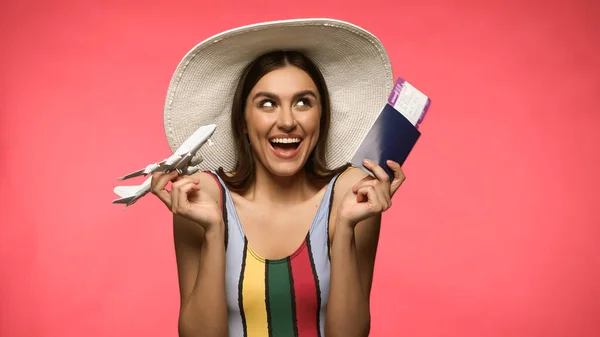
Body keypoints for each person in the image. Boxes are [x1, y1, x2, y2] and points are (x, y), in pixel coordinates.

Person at [150, 18, 405, 337]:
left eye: (303, 102)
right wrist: (214, 230)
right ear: (243, 120)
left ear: (321, 116)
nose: (287, 121)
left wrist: (346, 227)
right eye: (267, 104)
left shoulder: (351, 195)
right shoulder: (204, 196)